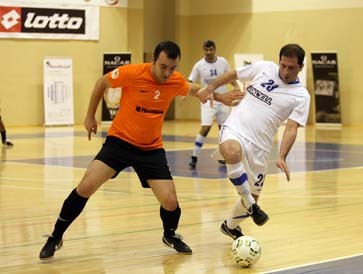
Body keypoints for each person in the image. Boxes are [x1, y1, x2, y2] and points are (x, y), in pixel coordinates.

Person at [39, 41, 244, 260]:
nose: (167, 72)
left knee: (170, 201)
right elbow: (101, 83)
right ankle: (55, 236)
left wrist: (221, 97)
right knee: (86, 186)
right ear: (153, 60)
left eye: (172, 68)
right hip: (120, 142)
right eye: (163, 66)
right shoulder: (132, 73)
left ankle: (170, 235)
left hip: (150, 148)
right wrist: (90, 116)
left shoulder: (174, 80)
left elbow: (194, 89)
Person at [197, 44, 310, 240]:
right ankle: (252, 205)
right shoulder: (264, 67)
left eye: (291, 67)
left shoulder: (301, 96)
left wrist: (282, 156)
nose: (285, 71)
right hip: (235, 128)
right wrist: (210, 88)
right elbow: (233, 74)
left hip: (261, 148)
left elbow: (291, 127)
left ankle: (231, 226)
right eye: (283, 65)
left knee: (252, 196)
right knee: (231, 152)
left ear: (301, 66)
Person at [188, 40, 240, 169]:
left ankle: (223, 156)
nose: (209, 52)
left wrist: (237, 87)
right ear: (203, 50)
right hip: (207, 100)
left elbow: (230, 77)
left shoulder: (222, 62)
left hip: (223, 100)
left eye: (211, 49)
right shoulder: (199, 65)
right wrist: (186, 92)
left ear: (215, 49)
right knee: (205, 127)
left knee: (224, 129)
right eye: (206, 50)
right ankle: (194, 156)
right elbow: (190, 80)